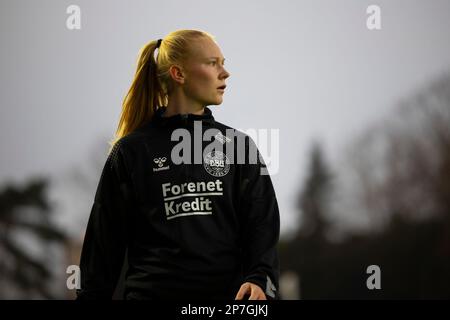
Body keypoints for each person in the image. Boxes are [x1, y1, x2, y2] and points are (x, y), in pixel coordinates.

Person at [76, 29, 280, 300]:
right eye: (212, 63)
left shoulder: (238, 146)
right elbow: (103, 247)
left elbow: (261, 225)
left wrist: (259, 278)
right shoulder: (130, 152)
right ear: (179, 74)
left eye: (223, 62)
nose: (224, 72)